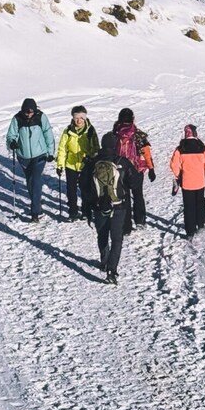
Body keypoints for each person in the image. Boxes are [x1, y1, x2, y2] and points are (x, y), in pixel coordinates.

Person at [80, 131, 138, 285]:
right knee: (117, 238)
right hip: (119, 205)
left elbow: (83, 184)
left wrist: (90, 201)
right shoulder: (123, 162)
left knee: (102, 234)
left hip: (99, 205)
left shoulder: (93, 162)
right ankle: (112, 270)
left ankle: (104, 260)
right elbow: (134, 183)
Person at [5, 98, 55, 222]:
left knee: (36, 180)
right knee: (30, 181)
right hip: (23, 156)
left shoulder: (41, 117)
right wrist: (12, 143)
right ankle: (36, 202)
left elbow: (48, 134)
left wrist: (50, 152)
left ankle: (35, 213)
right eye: (26, 112)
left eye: (31, 112)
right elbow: (11, 135)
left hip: (40, 154)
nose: (29, 115)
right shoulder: (17, 119)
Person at [169, 124, 205, 239]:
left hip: (186, 182)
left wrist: (179, 176)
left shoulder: (180, 148)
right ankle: (201, 224)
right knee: (200, 202)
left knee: (188, 206)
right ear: (195, 133)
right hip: (200, 181)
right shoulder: (201, 147)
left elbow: (173, 165)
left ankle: (190, 231)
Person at [113, 108, 155, 230]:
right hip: (136, 168)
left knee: (124, 196)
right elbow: (146, 152)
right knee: (138, 195)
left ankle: (126, 225)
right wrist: (151, 169)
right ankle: (140, 221)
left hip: (119, 169)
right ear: (132, 118)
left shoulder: (115, 133)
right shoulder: (138, 134)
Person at [56, 105, 100, 221]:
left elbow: (95, 147)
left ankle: (86, 211)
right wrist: (60, 164)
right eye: (76, 118)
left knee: (86, 189)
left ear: (85, 118)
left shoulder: (90, 130)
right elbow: (62, 148)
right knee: (71, 190)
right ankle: (73, 212)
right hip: (71, 164)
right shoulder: (68, 131)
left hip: (86, 164)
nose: (79, 120)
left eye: (81, 118)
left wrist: (90, 157)